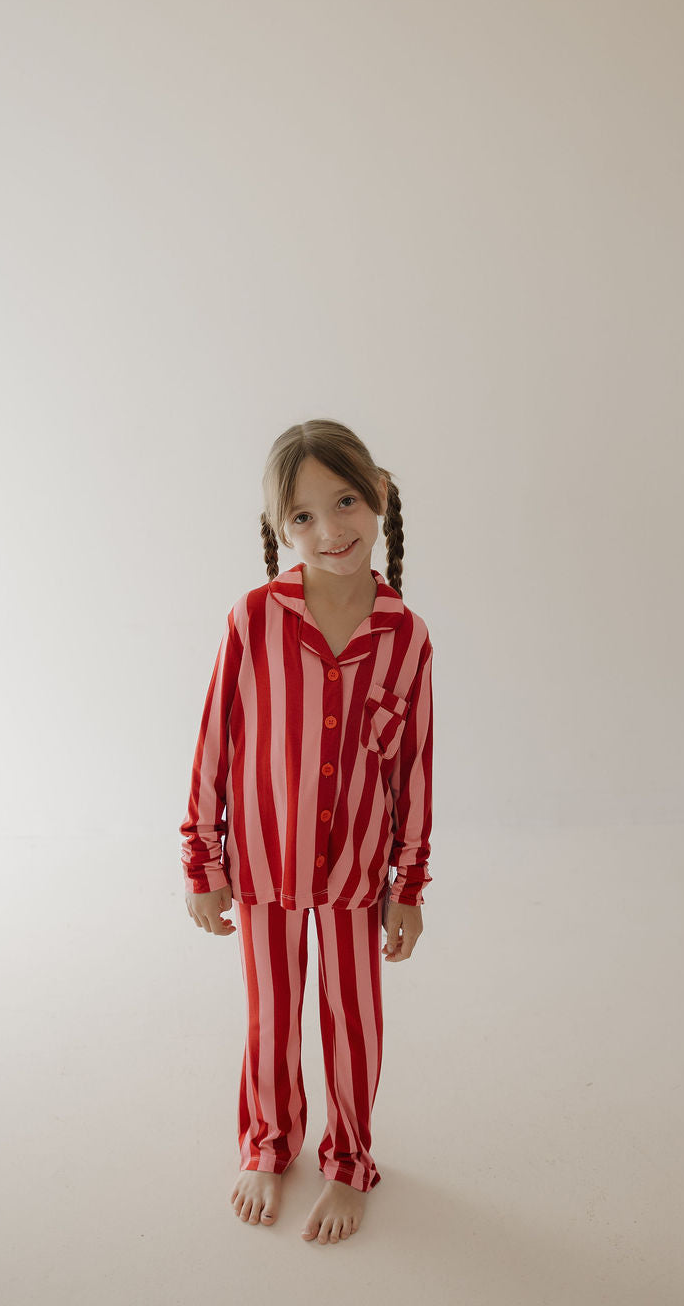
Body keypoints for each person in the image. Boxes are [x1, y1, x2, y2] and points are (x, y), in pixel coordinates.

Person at [179, 418, 434, 1245]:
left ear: (380, 495)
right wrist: (202, 861)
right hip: (261, 867)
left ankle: (350, 1160)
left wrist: (409, 886)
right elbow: (214, 742)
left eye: (347, 500)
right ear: (278, 529)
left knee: (354, 1022)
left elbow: (413, 773)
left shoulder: (407, 638)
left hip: (360, 875)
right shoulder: (253, 621)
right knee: (272, 1015)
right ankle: (268, 1142)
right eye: (302, 516)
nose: (330, 530)